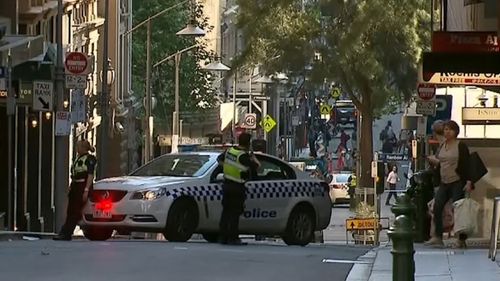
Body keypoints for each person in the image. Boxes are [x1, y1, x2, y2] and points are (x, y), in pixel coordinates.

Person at [425, 120, 472, 248]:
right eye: (445, 129)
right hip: (444, 182)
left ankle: (461, 239)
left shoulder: (460, 145)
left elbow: (467, 164)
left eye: (450, 129)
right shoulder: (442, 145)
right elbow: (439, 163)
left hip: (457, 180)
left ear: (456, 131)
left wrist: (468, 181)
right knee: (437, 207)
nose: (447, 132)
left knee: (458, 210)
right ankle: (437, 236)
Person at [217, 133, 260, 245]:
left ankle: (223, 237)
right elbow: (256, 168)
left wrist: (226, 168)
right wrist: (253, 157)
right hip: (237, 187)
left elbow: (219, 160)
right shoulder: (243, 156)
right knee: (235, 213)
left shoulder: (230, 151)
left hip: (226, 184)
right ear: (248, 143)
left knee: (226, 212)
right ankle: (233, 238)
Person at [53, 140, 97, 241]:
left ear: (84, 148)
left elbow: (90, 175)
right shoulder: (78, 158)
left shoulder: (90, 159)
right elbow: (74, 174)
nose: (76, 149)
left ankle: (66, 233)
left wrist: (86, 190)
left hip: (82, 187)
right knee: (70, 210)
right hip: (75, 187)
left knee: (75, 212)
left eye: (78, 147)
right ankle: (64, 232)